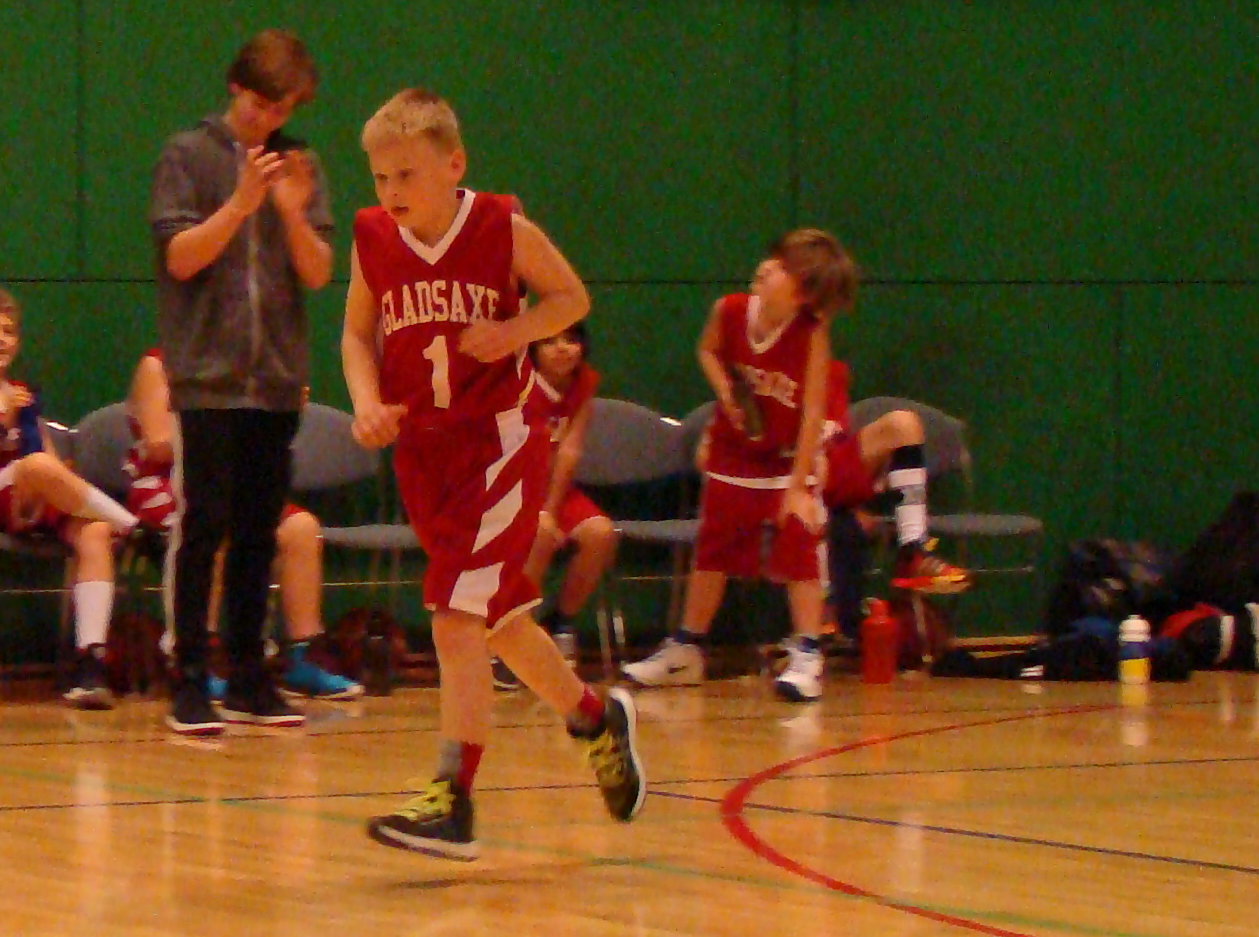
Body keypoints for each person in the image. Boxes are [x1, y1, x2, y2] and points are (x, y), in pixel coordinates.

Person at [342, 91, 644, 859]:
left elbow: (570, 298)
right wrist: (366, 400)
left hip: (499, 444)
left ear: (454, 164)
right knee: (500, 623)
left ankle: (454, 798)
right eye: (380, 177)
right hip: (423, 453)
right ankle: (595, 718)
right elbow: (355, 334)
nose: (391, 191)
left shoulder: (500, 225)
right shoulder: (373, 237)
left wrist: (515, 331)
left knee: (454, 618)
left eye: (406, 175)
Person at [618, 229, 963, 705]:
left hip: (785, 457)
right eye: (772, 259)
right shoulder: (730, 310)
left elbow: (813, 416)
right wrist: (725, 390)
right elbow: (707, 350)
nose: (766, 267)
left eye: (781, 267)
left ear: (802, 294)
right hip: (736, 452)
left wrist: (800, 485)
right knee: (712, 551)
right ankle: (685, 648)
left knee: (801, 543)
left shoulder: (810, 337)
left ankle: (807, 652)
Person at [148, 29, 335, 738]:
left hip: (276, 378)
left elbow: (317, 272)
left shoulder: (300, 164)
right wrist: (240, 204)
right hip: (208, 377)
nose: (268, 120)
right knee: (205, 527)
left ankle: (253, 677)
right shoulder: (187, 154)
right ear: (235, 87)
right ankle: (192, 678)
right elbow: (181, 258)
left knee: (260, 530)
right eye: (260, 104)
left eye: (281, 109)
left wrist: (288, 210)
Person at [0, 289, 140, 709]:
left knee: (94, 533)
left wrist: (56, 481)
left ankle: (88, 664)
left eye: (8, 331)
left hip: (28, 492)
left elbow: (47, 460)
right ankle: (135, 528)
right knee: (35, 467)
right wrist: (0, 424)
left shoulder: (21, 391)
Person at [123, 348, 359, 700]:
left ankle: (302, 656)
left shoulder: (248, 367)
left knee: (301, 527)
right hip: (168, 482)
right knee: (215, 529)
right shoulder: (158, 365)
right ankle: (201, 657)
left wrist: (279, 415)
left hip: (231, 483)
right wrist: (226, 428)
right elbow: (158, 445)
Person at [518, 323, 618, 674]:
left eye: (571, 341)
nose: (562, 348)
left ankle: (560, 621)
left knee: (601, 534)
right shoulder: (518, 384)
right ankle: (515, 634)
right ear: (533, 349)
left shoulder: (584, 382)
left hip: (554, 490)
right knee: (540, 535)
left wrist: (550, 507)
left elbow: (570, 450)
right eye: (550, 341)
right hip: (512, 488)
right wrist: (540, 512)